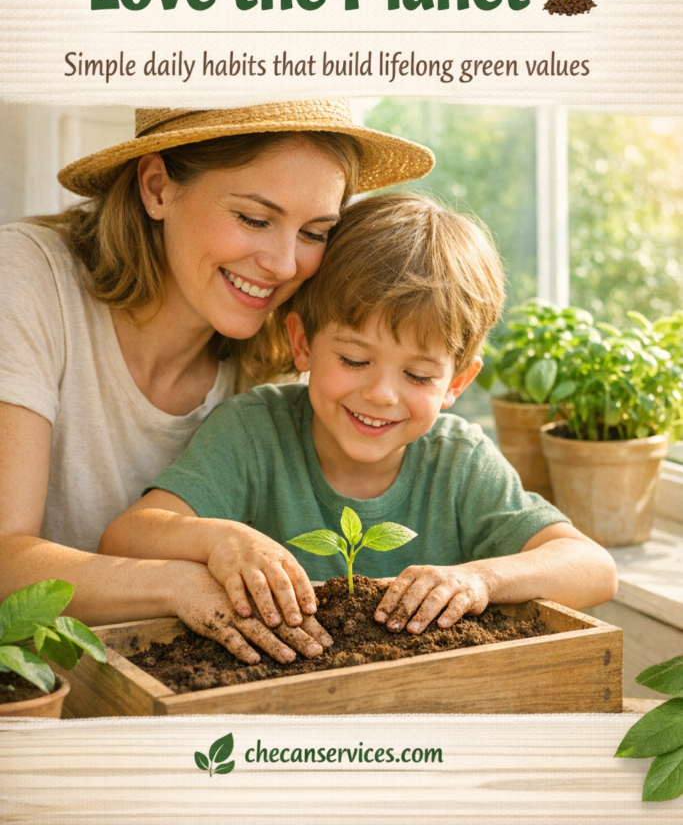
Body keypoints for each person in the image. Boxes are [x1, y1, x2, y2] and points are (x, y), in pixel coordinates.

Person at [0, 100, 434, 666]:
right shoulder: (27, 280)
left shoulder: (278, 359)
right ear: (156, 187)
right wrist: (181, 580)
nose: (283, 264)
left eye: (314, 231)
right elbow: (5, 564)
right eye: (254, 219)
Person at [100, 194, 618, 639]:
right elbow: (126, 538)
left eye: (418, 376)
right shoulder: (253, 431)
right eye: (353, 360)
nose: (382, 395)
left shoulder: (458, 461)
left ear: (457, 383)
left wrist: (479, 580)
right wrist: (219, 539)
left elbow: (594, 569)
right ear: (301, 342)